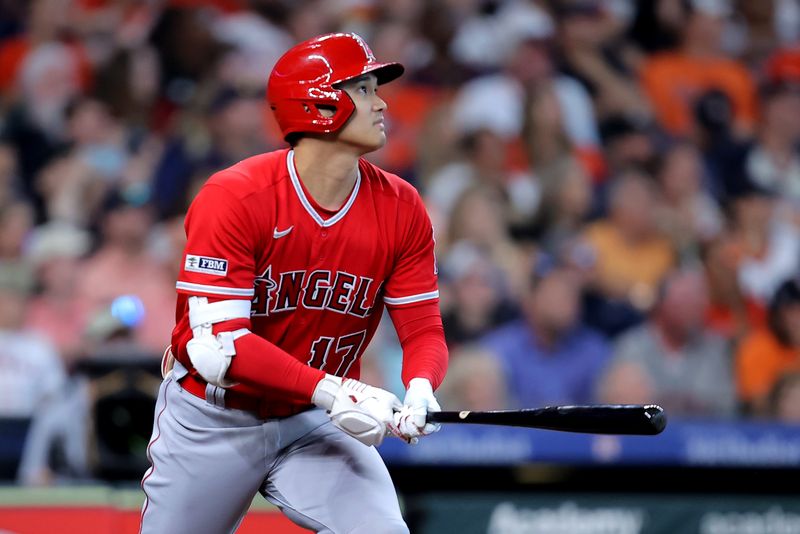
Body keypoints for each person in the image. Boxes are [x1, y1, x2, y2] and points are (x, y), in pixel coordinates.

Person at [139, 33, 448, 534]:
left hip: (314, 419)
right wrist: (337, 391)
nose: (381, 101)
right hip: (216, 417)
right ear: (319, 101)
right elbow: (221, 350)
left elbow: (423, 331)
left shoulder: (402, 205)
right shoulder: (236, 196)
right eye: (365, 88)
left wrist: (419, 386)